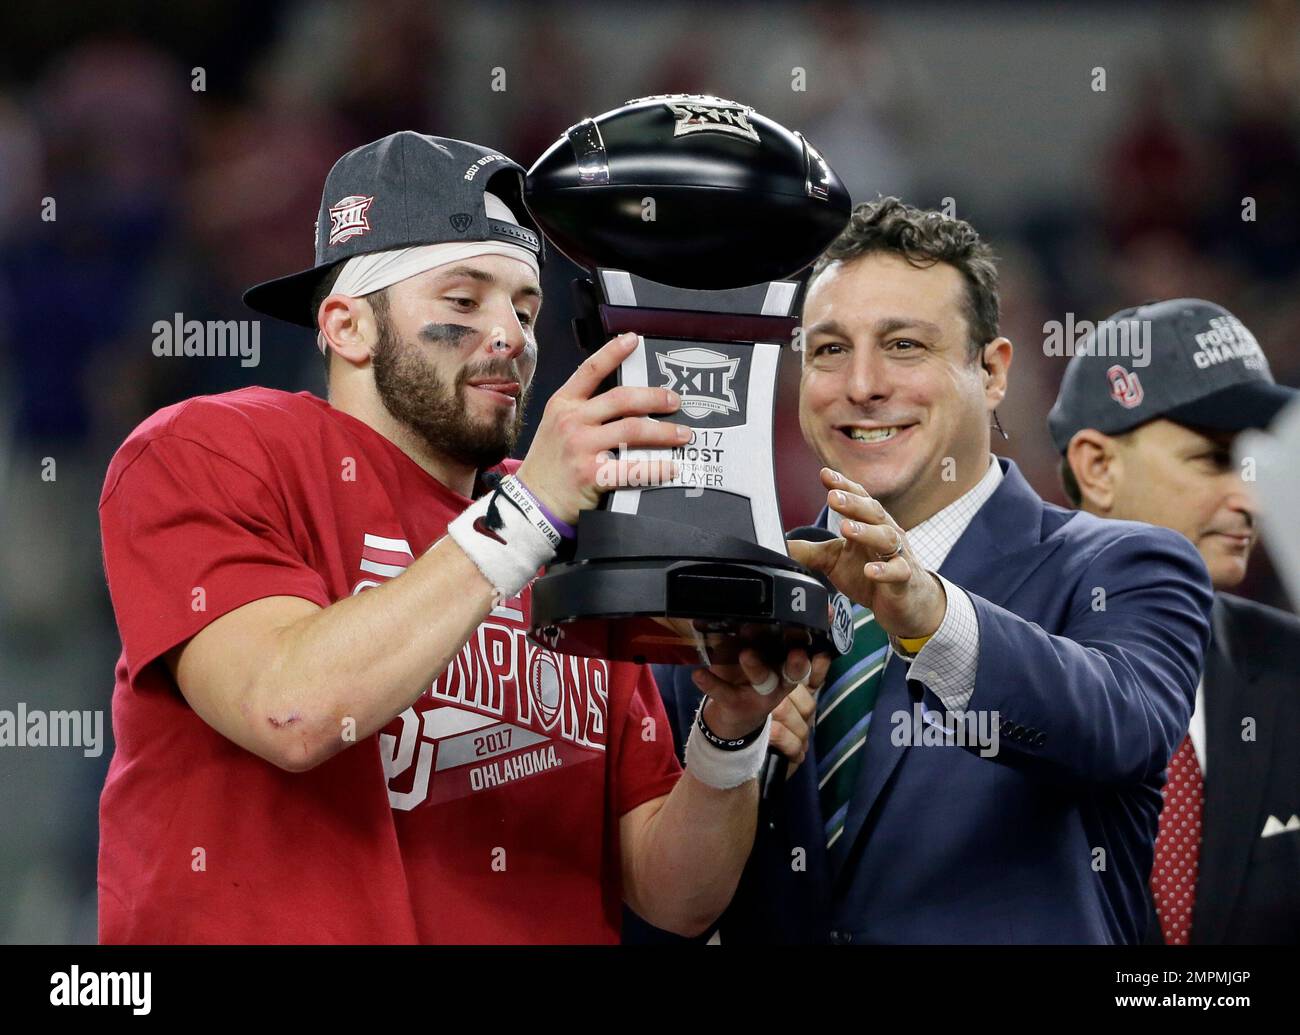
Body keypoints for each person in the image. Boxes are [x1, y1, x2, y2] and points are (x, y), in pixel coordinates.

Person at [96, 131, 816, 944]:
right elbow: (292, 711)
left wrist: (732, 725)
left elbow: (674, 894)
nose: (510, 335)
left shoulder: (578, 527)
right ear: (347, 326)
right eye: (463, 300)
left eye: (525, 305)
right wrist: (528, 515)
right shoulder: (212, 449)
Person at [647, 197, 1214, 944]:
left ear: (993, 369)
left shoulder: (1124, 564)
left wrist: (930, 614)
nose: (862, 384)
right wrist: (732, 750)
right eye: (828, 350)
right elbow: (655, 906)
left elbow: (1119, 729)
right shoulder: (734, 600)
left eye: (905, 345)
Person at [1050, 298, 1300, 944]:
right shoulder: (984, 678)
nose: (1248, 496)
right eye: (1213, 460)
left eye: (1251, 460)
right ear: (1098, 468)